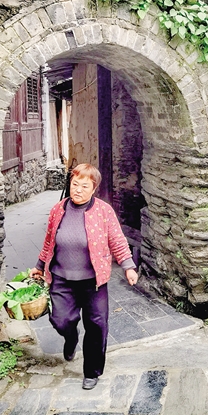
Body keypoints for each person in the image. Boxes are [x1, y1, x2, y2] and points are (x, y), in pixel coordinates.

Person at [31, 163, 138, 389]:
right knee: (60, 320)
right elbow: (49, 240)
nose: (78, 190)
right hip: (61, 278)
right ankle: (71, 337)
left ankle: (92, 371)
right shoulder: (58, 209)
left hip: (93, 281)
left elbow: (117, 240)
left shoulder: (104, 211)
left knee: (97, 325)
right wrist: (40, 265)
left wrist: (128, 266)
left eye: (84, 186)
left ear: (94, 188)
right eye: (75, 184)